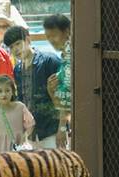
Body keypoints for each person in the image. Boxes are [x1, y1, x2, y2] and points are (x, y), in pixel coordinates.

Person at [3, 26, 61, 149]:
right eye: (11, 47)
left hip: (51, 130)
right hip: (30, 133)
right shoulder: (18, 69)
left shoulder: (49, 61)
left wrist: (63, 128)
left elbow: (66, 96)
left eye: (18, 44)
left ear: (28, 40)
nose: (15, 49)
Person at [44, 14, 72, 149]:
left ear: (67, 31)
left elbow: (67, 99)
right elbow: (60, 102)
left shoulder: (71, 57)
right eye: (48, 37)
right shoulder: (65, 57)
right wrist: (51, 90)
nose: (51, 41)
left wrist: (61, 129)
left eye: (54, 35)